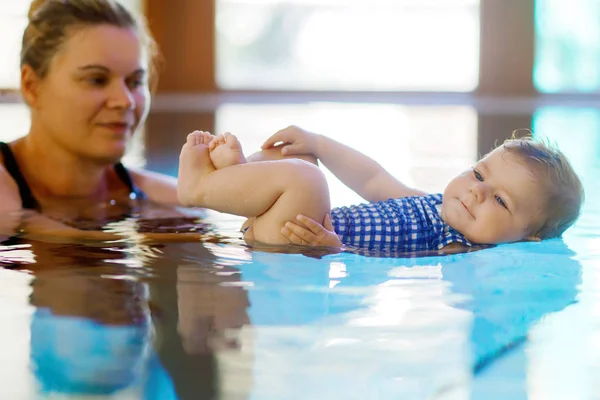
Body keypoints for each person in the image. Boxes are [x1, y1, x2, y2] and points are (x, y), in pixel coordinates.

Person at [176, 126, 584, 252]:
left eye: (500, 200)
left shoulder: (458, 246)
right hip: (290, 226)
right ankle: (239, 179)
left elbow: (390, 262)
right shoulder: (433, 204)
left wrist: (336, 248)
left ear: (528, 235)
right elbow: (372, 179)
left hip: (301, 243)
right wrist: (318, 143)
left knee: (306, 180)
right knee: (303, 164)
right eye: (479, 175)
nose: (476, 192)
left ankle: (201, 187)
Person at [0, 0, 197, 243]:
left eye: (135, 82)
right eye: (96, 80)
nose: (125, 101)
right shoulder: (4, 184)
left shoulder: (163, 197)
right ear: (31, 86)